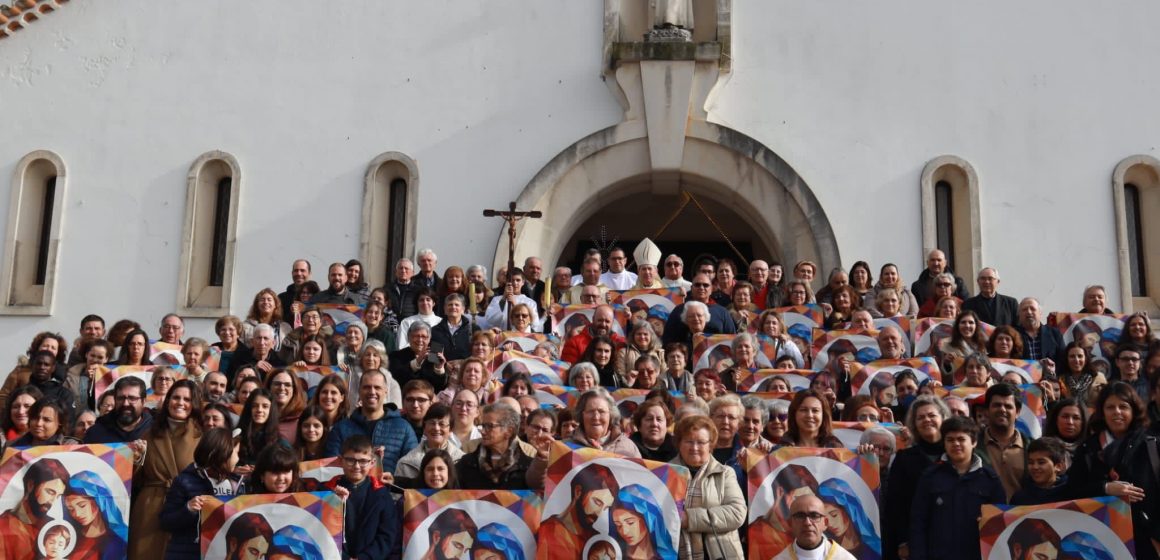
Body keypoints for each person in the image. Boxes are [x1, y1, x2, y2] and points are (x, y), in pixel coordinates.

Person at [1065, 382, 1160, 560]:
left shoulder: (1151, 443)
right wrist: (1105, 488)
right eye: (1110, 407)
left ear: (1134, 410)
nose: (1116, 412)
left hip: (1146, 540)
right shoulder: (1087, 448)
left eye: (1123, 406)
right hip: (1099, 540)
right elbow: (1072, 492)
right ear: (1102, 411)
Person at [909, 415, 1006, 560]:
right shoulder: (930, 477)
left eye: (961, 439)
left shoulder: (990, 479)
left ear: (973, 442)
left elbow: (1000, 524)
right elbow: (918, 522)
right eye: (950, 440)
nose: (955, 444)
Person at [128, 379, 203, 558]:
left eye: (187, 399)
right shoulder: (149, 434)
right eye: (176, 397)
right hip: (150, 508)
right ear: (168, 400)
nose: (180, 403)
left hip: (186, 509)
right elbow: (134, 482)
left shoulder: (202, 436)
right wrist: (137, 460)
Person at [160, 428, 245, 560]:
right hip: (189, 554)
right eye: (236, 453)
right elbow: (166, 522)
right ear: (224, 454)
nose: (238, 458)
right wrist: (188, 509)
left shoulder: (237, 484)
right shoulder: (184, 481)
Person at [883, 395, 949, 560]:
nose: (927, 420)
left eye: (932, 415)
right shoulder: (904, 458)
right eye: (920, 417)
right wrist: (903, 541)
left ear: (943, 418)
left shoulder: (955, 454)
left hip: (951, 538)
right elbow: (895, 505)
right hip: (916, 542)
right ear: (914, 424)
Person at [672, 414, 746, 558]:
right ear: (679, 443)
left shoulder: (725, 473)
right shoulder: (666, 473)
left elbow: (737, 513)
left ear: (711, 445)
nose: (694, 447)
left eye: (701, 442)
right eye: (688, 441)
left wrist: (689, 519)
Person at [325, 370, 418, 473]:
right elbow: (332, 470)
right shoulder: (341, 429)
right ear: (359, 391)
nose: (372, 392)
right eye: (367, 387)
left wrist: (394, 481)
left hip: (390, 489)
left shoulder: (403, 428)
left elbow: (411, 471)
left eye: (377, 387)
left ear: (386, 391)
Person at [325, 434, 401, 559]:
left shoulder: (381, 493)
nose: (356, 466)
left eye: (363, 461)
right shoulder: (327, 491)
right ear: (340, 461)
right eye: (350, 460)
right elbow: (321, 531)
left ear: (372, 462)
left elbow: (387, 535)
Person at [537, 463, 621, 552]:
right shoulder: (548, 531)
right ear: (578, 491)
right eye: (597, 502)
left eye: (606, 507)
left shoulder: (597, 540)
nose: (599, 513)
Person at [0, 457, 69, 560]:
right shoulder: (3, 525)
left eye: (58, 496)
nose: (53, 501)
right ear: (30, 485)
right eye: (50, 492)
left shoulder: (54, 528)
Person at [456, 401, 533, 489]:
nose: (483, 431)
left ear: (509, 431)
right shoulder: (466, 464)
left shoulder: (527, 467)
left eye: (489, 426)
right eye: (483, 426)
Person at [59, 470, 128, 560]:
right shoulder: (67, 538)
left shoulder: (119, 541)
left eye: (82, 505)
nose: (77, 514)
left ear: (99, 501)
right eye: (70, 509)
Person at [978, 382, 1027, 500]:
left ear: (1018, 412)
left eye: (1008, 406)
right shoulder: (972, 445)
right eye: (997, 405)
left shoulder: (1032, 447)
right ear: (986, 411)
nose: (1002, 410)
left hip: (1021, 516)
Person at [662, 273, 737, 347]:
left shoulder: (722, 312)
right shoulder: (679, 311)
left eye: (705, 285)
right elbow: (668, 341)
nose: (701, 288)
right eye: (697, 285)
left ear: (711, 289)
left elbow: (732, 340)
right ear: (691, 288)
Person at [395, 403, 465, 482]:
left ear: (451, 430)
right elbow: (397, 493)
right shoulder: (406, 463)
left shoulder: (462, 461)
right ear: (424, 428)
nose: (436, 428)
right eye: (432, 423)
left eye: (442, 424)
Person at [818, 477, 881, 559]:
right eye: (824, 518)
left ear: (849, 510)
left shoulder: (873, 549)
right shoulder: (824, 548)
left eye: (834, 515)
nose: (829, 523)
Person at [608, 484, 675, 559]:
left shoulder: (667, 556)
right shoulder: (614, 556)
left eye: (630, 523)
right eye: (618, 525)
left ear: (647, 519)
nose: (624, 531)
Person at [388, 321, 450, 393]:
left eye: (424, 337)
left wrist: (439, 368)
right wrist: (417, 361)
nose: (420, 340)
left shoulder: (434, 354)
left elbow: (441, 387)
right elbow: (397, 379)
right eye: (416, 336)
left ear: (429, 339)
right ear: (409, 337)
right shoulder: (396, 356)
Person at [1011, 437, 1069, 505]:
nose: (1035, 467)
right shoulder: (1019, 498)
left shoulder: (1070, 494)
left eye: (1041, 462)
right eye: (1031, 462)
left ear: (1058, 466)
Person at [236, 388, 282, 469]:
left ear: (271, 410)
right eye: (255, 406)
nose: (259, 410)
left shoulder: (280, 443)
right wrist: (235, 470)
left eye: (265, 406)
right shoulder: (235, 437)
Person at [1014, 297, 1064, 364]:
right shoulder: (1013, 334)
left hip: (1050, 374)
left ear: (1040, 313)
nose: (1029, 312)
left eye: (1032, 309)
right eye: (1024, 309)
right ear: (1019, 315)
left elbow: (1063, 359)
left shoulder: (1055, 334)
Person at [1057, 341, 1106, 407]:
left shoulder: (1098, 377)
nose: (1076, 360)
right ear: (1066, 359)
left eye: (1080, 356)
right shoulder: (1060, 380)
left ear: (1085, 359)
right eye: (1072, 356)